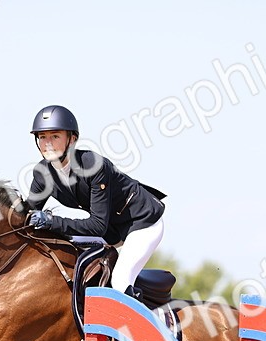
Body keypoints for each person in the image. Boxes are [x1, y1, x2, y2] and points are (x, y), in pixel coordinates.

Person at [25, 105, 166, 296]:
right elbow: (26, 216)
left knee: (120, 281)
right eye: (42, 137)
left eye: (55, 136)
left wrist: (52, 221)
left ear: (72, 139)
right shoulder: (42, 174)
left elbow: (97, 226)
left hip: (142, 223)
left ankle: (145, 322)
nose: (47, 143)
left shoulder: (93, 165)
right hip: (111, 230)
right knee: (62, 248)